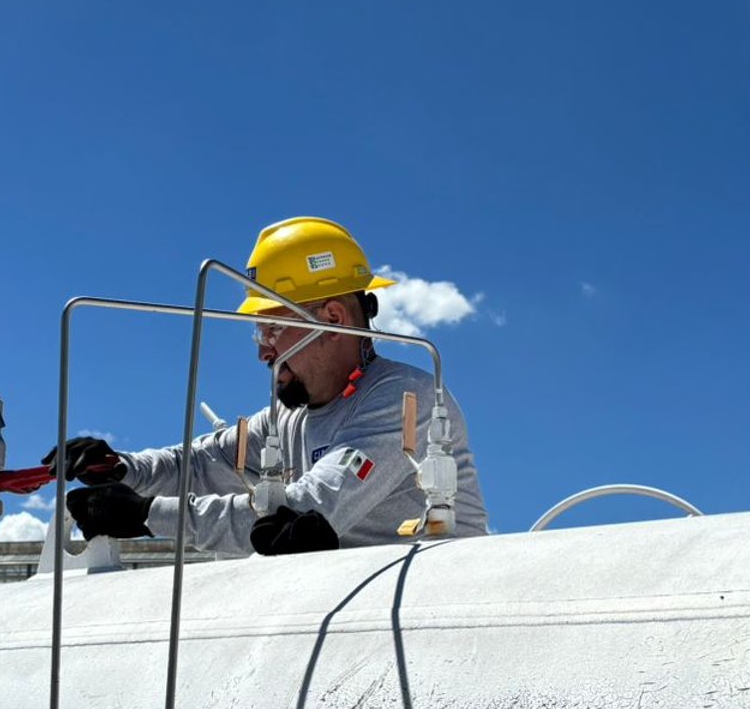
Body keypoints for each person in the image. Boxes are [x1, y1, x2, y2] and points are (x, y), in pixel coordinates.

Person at [48, 217, 489, 556]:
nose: (263, 353)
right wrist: (121, 468)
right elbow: (203, 462)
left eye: (272, 330)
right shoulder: (287, 416)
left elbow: (307, 507)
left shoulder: (404, 402)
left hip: (442, 614)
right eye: (258, 334)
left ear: (333, 320)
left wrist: (148, 516)